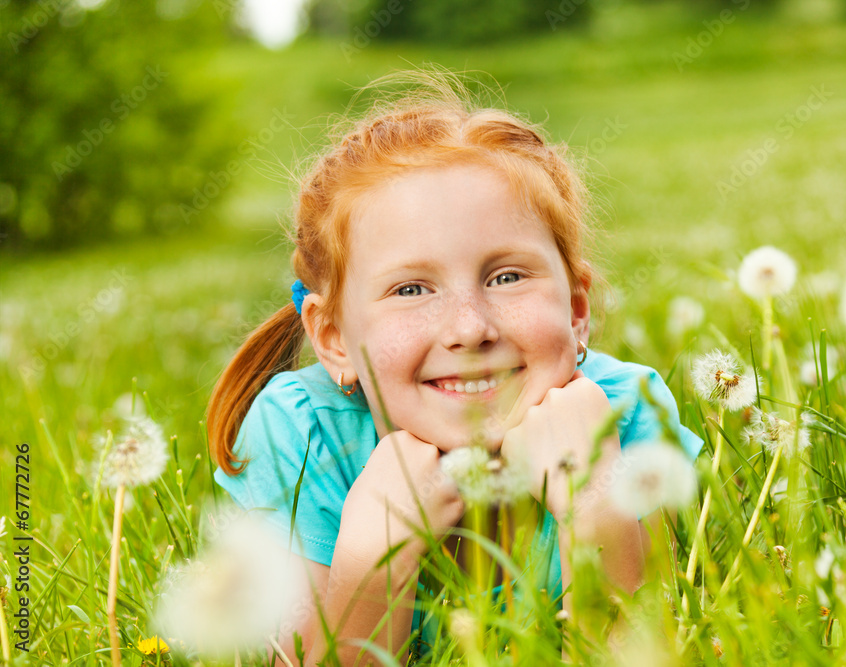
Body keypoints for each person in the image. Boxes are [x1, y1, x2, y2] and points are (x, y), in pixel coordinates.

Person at [207, 73, 702, 666]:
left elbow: (635, 651)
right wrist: (375, 553)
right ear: (334, 339)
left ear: (576, 310)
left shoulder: (628, 415)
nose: (470, 328)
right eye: (412, 289)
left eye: (507, 277)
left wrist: (593, 498)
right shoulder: (301, 436)